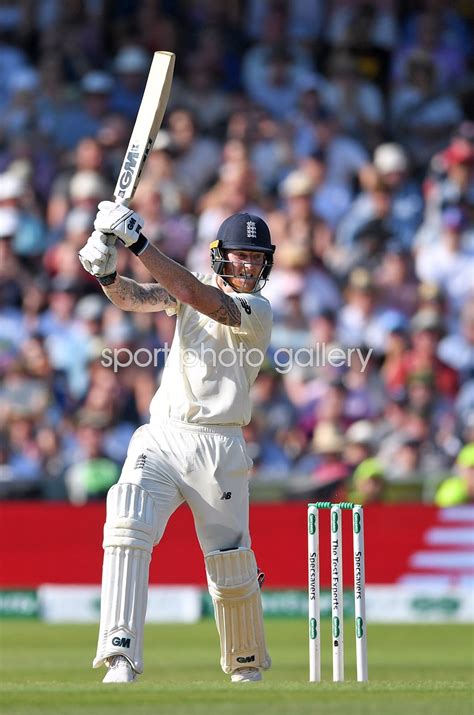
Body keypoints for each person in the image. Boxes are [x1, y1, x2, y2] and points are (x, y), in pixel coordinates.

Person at [78, 202, 275, 684]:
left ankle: (245, 664)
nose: (247, 265)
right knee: (126, 518)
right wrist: (105, 272)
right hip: (164, 436)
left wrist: (137, 241)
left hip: (220, 446)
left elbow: (192, 292)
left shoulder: (257, 311)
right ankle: (120, 654)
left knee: (230, 564)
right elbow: (134, 297)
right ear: (220, 256)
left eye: (255, 256)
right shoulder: (186, 295)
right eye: (239, 255)